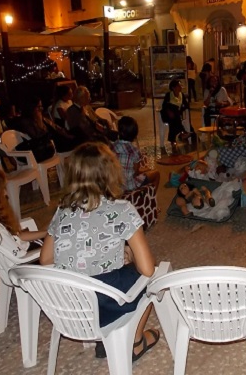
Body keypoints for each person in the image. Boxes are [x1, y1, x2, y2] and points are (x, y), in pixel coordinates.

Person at [39, 142, 159, 360]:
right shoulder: (122, 209)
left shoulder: (62, 210)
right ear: (110, 173)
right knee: (154, 277)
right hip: (105, 306)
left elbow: (45, 259)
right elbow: (148, 269)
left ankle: (106, 340)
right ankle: (135, 342)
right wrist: (129, 254)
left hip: (69, 304)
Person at [113, 116, 160, 192]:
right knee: (156, 173)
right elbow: (136, 172)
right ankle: (151, 196)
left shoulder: (113, 146)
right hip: (128, 186)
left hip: (114, 184)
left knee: (147, 170)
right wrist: (145, 170)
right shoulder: (134, 151)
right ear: (135, 134)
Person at [161, 79, 191, 152]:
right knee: (174, 114)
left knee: (174, 120)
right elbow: (164, 106)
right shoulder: (169, 95)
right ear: (173, 87)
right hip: (167, 115)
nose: (180, 87)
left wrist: (180, 108)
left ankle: (173, 141)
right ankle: (182, 132)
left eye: (181, 85)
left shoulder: (181, 95)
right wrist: (170, 111)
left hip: (176, 117)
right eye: (178, 85)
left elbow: (187, 106)